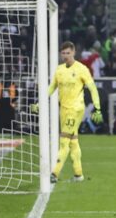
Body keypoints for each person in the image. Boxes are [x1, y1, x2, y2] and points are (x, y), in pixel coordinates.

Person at [33, 41, 103, 183]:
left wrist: (97, 108)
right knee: (73, 142)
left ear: (74, 52)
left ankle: (54, 173)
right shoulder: (59, 70)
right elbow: (51, 87)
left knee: (64, 141)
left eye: (68, 53)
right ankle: (78, 174)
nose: (65, 56)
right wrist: (40, 102)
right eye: (63, 53)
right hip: (64, 109)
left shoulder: (82, 69)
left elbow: (93, 89)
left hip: (76, 109)